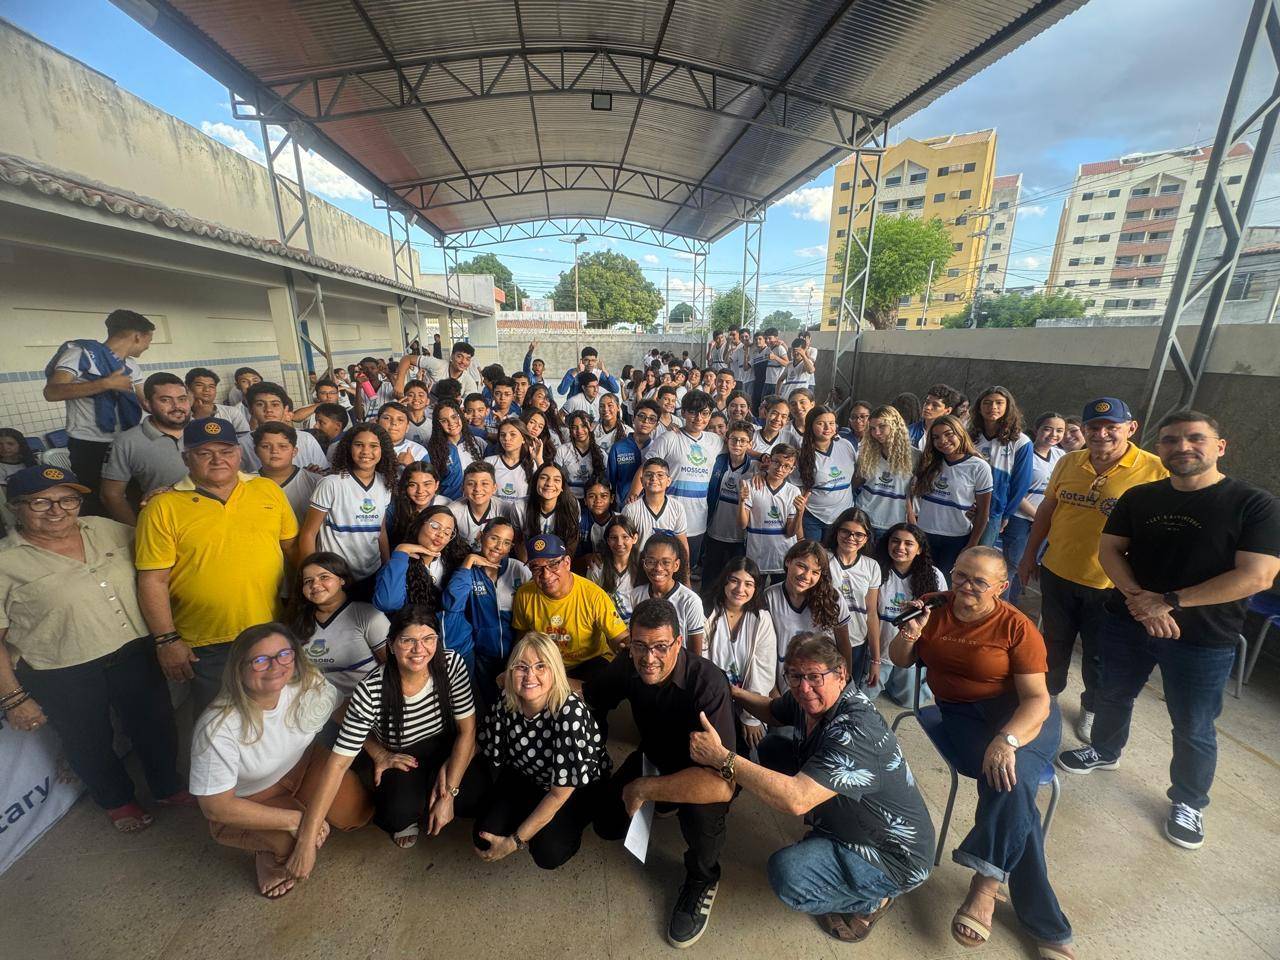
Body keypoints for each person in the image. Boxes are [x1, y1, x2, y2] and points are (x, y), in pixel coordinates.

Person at [1057, 410, 1280, 850]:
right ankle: (1105, 750)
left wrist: (1171, 601)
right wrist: (1141, 600)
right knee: (1112, 693)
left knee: (1193, 723)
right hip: (1129, 621)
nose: (1182, 447)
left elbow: (1258, 575)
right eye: (1171, 440)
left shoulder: (1253, 503)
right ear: (1159, 449)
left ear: (1220, 446)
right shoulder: (1141, 497)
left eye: (1195, 438)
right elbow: (1110, 549)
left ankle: (1190, 800)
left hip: (1202, 637)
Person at [890, 547, 1074, 959]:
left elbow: (1037, 701)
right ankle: (1045, 924)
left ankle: (985, 886)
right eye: (959, 576)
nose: (966, 587)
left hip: (1023, 715)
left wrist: (1007, 739)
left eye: (979, 581)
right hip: (961, 715)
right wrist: (911, 632)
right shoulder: (933, 609)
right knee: (1013, 786)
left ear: (1001, 588)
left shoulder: (1017, 627)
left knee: (1010, 779)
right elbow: (899, 661)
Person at [696, 632, 935, 943]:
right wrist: (733, 693)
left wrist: (721, 758)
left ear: (841, 675)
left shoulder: (856, 729)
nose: (803, 687)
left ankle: (873, 899)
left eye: (813, 676)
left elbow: (796, 800)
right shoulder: (811, 699)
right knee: (771, 748)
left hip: (893, 856)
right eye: (794, 676)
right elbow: (772, 710)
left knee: (789, 875)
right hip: (860, 821)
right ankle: (829, 835)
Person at [0, 465, 190, 833]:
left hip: (133, 650)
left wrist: (164, 501)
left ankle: (168, 786)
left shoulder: (106, 529)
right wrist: (13, 697)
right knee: (87, 739)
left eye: (67, 499)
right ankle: (117, 800)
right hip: (61, 670)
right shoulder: (6, 562)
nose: (57, 510)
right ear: (15, 507)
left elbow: (160, 546)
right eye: (41, 502)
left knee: (156, 725)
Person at [583, 598, 737, 948]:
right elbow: (589, 695)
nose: (649, 658)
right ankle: (661, 800)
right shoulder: (629, 664)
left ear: (678, 643)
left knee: (702, 817)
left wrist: (645, 788)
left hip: (705, 773)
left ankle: (703, 878)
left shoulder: (708, 684)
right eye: (640, 646)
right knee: (606, 823)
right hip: (654, 757)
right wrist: (535, 682)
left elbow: (722, 785)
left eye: (660, 647)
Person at [1017, 398, 1167, 743]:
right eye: (1093, 428)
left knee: (1098, 655)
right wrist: (1028, 556)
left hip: (1110, 585)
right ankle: (1045, 700)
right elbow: (1047, 511)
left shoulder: (1155, 469)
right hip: (1057, 571)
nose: (1101, 434)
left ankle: (1091, 708)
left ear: (1131, 428)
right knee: (1053, 644)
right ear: (1083, 430)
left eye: (1111, 427)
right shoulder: (1070, 461)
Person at [189, 622, 369, 898]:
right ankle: (266, 851)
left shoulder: (306, 680)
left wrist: (378, 750)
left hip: (304, 765)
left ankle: (303, 811)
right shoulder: (217, 727)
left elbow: (340, 710)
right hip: (251, 798)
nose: (275, 666)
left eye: (283, 654)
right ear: (239, 668)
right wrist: (296, 821)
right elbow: (216, 808)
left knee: (354, 813)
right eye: (260, 660)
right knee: (290, 845)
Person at [135, 418, 299, 716]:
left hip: (270, 627)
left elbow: (291, 551)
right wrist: (166, 639)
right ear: (186, 457)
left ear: (239, 453)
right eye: (204, 453)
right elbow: (152, 580)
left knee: (276, 713)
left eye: (225, 451)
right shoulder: (163, 507)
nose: (218, 460)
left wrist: (299, 609)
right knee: (219, 720)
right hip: (207, 642)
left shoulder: (267, 491)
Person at [296, 606, 483, 851]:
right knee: (397, 813)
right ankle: (417, 800)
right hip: (402, 754)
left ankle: (435, 795)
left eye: (428, 639)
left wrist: (449, 792)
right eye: (407, 641)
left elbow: (467, 731)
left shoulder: (451, 664)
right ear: (391, 644)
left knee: (475, 797)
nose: (419, 650)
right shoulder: (370, 689)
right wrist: (306, 839)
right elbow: (338, 763)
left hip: (445, 745)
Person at [472, 632, 611, 870]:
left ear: (554, 671)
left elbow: (559, 793)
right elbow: (484, 744)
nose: (530, 676)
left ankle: (571, 821)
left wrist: (514, 841)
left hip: (573, 787)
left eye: (540, 666)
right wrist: (448, 786)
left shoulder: (569, 712)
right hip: (527, 776)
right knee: (484, 840)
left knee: (549, 852)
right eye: (521, 667)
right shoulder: (508, 699)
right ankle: (534, 816)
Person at [42, 309, 153, 515]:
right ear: (138, 336)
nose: (148, 346)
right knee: (99, 501)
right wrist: (105, 384)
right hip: (90, 446)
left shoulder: (131, 365)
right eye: (149, 340)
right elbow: (51, 392)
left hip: (126, 441)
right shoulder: (80, 354)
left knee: (136, 494)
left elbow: (145, 402)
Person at [511, 533, 627, 684]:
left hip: (589, 661)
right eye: (536, 568)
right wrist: (513, 668)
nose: (546, 575)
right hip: (548, 664)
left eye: (553, 564)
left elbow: (620, 637)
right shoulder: (524, 594)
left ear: (567, 562)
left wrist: (632, 645)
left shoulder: (593, 595)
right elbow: (522, 637)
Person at [300, 424, 398, 598]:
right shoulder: (331, 483)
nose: (366, 451)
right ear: (348, 448)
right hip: (335, 576)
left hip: (371, 573)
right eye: (359, 444)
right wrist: (313, 576)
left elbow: (380, 530)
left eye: (373, 446)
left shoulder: (385, 483)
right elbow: (308, 534)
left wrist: (387, 565)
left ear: (383, 451)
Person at [441, 516, 531, 702]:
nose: (499, 547)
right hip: (482, 654)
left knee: (515, 703)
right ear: (482, 536)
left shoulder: (518, 569)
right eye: (494, 538)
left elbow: (534, 608)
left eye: (506, 543)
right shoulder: (468, 570)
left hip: (516, 655)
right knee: (489, 702)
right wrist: (468, 561)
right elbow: (452, 603)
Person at [287, 552, 389, 697]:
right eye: (308, 581)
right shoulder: (296, 622)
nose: (315, 585)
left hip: (365, 707)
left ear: (342, 579)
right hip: (316, 710)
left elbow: (394, 667)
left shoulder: (368, 615)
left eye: (324, 577)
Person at [702, 558, 777, 754]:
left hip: (748, 700)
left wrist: (751, 717)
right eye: (734, 580)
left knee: (750, 750)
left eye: (748, 584)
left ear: (756, 588)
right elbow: (701, 663)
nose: (740, 589)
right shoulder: (706, 612)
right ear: (724, 581)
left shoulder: (762, 619)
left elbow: (763, 669)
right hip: (712, 698)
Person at [642, 390, 723, 569]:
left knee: (687, 566)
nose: (699, 418)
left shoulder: (715, 441)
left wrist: (762, 457)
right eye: (693, 412)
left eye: (704, 413)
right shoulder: (669, 437)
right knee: (660, 568)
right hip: (667, 517)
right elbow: (648, 467)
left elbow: (738, 448)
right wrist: (633, 495)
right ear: (684, 412)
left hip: (697, 519)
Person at [99, 372, 192, 525]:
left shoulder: (203, 430)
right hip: (169, 525)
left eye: (182, 399)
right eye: (165, 400)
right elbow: (111, 495)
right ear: (147, 404)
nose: (177, 407)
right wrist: (137, 531)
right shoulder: (127, 442)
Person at [910, 414, 993, 574]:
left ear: (960, 433)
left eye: (949, 434)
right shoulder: (928, 462)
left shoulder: (978, 466)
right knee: (920, 579)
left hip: (956, 537)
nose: (943, 441)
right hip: (924, 533)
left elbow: (983, 512)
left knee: (945, 586)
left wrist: (971, 545)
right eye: (936, 437)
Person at [873, 522, 944, 706]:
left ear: (919, 549)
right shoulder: (875, 570)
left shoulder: (934, 575)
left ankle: (905, 680)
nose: (900, 548)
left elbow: (941, 619)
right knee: (866, 697)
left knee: (910, 702)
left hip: (911, 653)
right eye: (895, 541)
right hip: (877, 652)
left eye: (908, 543)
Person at [765, 541, 852, 684]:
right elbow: (764, 649)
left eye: (815, 572)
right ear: (788, 561)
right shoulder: (770, 596)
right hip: (784, 676)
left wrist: (846, 678)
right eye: (801, 566)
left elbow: (843, 642)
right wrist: (772, 688)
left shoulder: (833, 598)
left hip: (821, 678)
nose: (806, 576)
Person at [1007, 413, 1066, 604]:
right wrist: (1037, 515)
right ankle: (1003, 604)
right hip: (1021, 518)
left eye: (1059, 431)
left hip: (1045, 521)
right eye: (1048, 428)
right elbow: (1015, 491)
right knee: (1012, 564)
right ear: (1037, 429)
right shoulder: (1025, 453)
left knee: (1029, 565)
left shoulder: (1061, 456)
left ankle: (1014, 606)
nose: (1053, 434)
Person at [969, 386, 1034, 552]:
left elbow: (1020, 483)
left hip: (993, 511)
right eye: (987, 403)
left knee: (978, 556)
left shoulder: (1020, 442)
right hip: (964, 505)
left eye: (999, 403)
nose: (993, 407)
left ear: (1008, 407)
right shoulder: (969, 436)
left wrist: (1006, 514)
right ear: (979, 407)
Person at [824, 508, 882, 689]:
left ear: (866, 538)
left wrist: (876, 660)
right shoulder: (823, 558)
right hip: (823, 639)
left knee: (848, 690)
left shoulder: (871, 566)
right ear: (836, 532)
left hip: (857, 641)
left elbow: (871, 614)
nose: (851, 538)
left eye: (859, 534)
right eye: (846, 531)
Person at [373, 505, 467, 614]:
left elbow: (456, 606)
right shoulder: (398, 561)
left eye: (447, 532)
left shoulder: (452, 560)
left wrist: (469, 561)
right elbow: (388, 604)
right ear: (420, 525)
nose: (441, 534)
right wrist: (402, 550)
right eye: (435, 526)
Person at [633, 532, 706, 656]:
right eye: (651, 561)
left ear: (676, 565)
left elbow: (695, 655)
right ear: (644, 563)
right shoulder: (636, 595)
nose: (658, 568)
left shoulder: (690, 601)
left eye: (666, 562)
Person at [738, 444, 802, 584]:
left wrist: (800, 512)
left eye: (786, 466)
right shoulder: (751, 485)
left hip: (783, 555)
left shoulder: (794, 491)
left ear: (792, 470)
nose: (780, 469)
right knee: (755, 597)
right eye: (776, 462)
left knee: (779, 597)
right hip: (757, 554)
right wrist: (741, 502)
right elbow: (742, 524)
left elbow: (791, 532)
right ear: (769, 461)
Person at [701, 418, 754, 584]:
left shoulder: (755, 469)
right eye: (734, 439)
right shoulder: (718, 461)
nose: (737, 444)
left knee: (733, 578)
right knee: (709, 576)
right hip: (714, 530)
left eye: (743, 440)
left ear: (749, 444)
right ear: (727, 439)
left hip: (739, 536)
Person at [855, 405, 919, 541]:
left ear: (895, 426)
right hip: (864, 519)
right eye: (872, 428)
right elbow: (855, 483)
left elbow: (913, 493)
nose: (876, 432)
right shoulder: (865, 452)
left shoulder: (915, 456)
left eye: (882, 426)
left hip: (895, 523)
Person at [796, 405, 858, 543]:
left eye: (831, 423)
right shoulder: (802, 454)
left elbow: (857, 475)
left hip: (843, 515)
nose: (827, 428)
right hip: (813, 515)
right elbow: (796, 488)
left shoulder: (846, 445)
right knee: (813, 556)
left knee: (835, 556)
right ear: (810, 426)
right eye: (820, 423)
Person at [254, 423, 323, 525]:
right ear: (256, 451)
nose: (275, 451)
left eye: (282, 446)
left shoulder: (316, 482)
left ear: (294, 451)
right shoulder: (245, 483)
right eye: (266, 446)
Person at [622, 456, 689, 554]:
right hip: (638, 566)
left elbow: (682, 544)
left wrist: (685, 568)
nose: (654, 478)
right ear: (641, 480)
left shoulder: (677, 508)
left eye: (660, 475)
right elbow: (623, 545)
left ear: (668, 481)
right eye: (649, 474)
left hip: (665, 568)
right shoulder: (630, 509)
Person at [586, 514, 641, 626]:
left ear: (634, 538)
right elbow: (589, 601)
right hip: (606, 626)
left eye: (625, 537)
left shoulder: (642, 567)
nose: (619, 543)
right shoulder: (597, 567)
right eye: (613, 538)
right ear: (607, 540)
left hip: (638, 627)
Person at [449, 461, 519, 549]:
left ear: (494, 488)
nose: (477, 489)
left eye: (484, 483)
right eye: (471, 484)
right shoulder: (452, 511)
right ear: (463, 488)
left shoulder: (506, 510)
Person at [427, 398, 485, 501]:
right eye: (444, 421)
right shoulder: (434, 449)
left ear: (461, 416)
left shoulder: (478, 443)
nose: (451, 423)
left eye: (454, 417)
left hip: (476, 502)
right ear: (438, 424)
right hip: (448, 504)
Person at [520, 462, 581, 556]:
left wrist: (558, 568)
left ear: (562, 487)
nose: (549, 484)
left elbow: (572, 541)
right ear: (535, 481)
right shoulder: (520, 506)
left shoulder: (572, 505)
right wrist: (527, 568)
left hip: (558, 562)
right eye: (543, 478)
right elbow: (519, 542)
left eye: (556, 480)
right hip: (529, 562)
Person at [486, 418, 538, 512]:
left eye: (513, 434)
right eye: (502, 435)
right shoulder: (489, 462)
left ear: (523, 439)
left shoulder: (532, 464)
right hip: (494, 519)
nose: (506, 438)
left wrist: (539, 459)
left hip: (520, 518)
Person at [185, 367, 252, 437]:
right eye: (200, 385)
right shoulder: (183, 415)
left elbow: (244, 440)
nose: (207, 389)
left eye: (211, 386)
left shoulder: (232, 412)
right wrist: (199, 416)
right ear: (188, 388)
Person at [556, 410, 607, 501]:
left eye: (584, 426)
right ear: (570, 429)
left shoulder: (601, 453)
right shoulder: (562, 450)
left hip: (593, 502)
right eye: (574, 427)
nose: (579, 431)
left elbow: (606, 482)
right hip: (568, 500)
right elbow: (555, 477)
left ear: (591, 427)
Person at [908, 383, 963, 449]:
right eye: (927, 402)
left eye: (935, 405)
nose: (928, 407)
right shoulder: (909, 431)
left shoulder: (954, 435)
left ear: (948, 411)